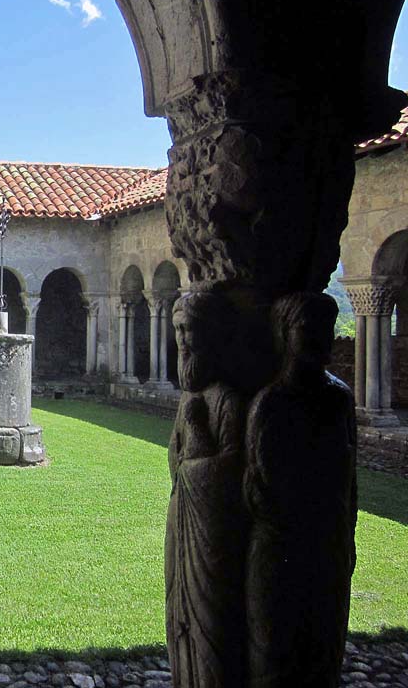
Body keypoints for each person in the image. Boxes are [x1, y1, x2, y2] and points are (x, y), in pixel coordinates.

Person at [245, 292, 357, 688]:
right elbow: (257, 486)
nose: (322, 341)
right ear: (284, 334)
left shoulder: (339, 399)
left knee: (322, 645)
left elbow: (350, 480)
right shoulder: (271, 404)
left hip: (328, 540)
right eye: (308, 331)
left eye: (327, 331)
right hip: (283, 542)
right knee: (276, 646)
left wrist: (348, 535)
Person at [165, 292, 248, 688]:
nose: (182, 339)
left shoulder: (228, 401)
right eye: (178, 329)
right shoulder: (189, 399)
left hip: (210, 523)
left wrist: (196, 440)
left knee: (212, 613)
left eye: (189, 330)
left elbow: (234, 465)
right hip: (183, 514)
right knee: (181, 606)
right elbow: (174, 455)